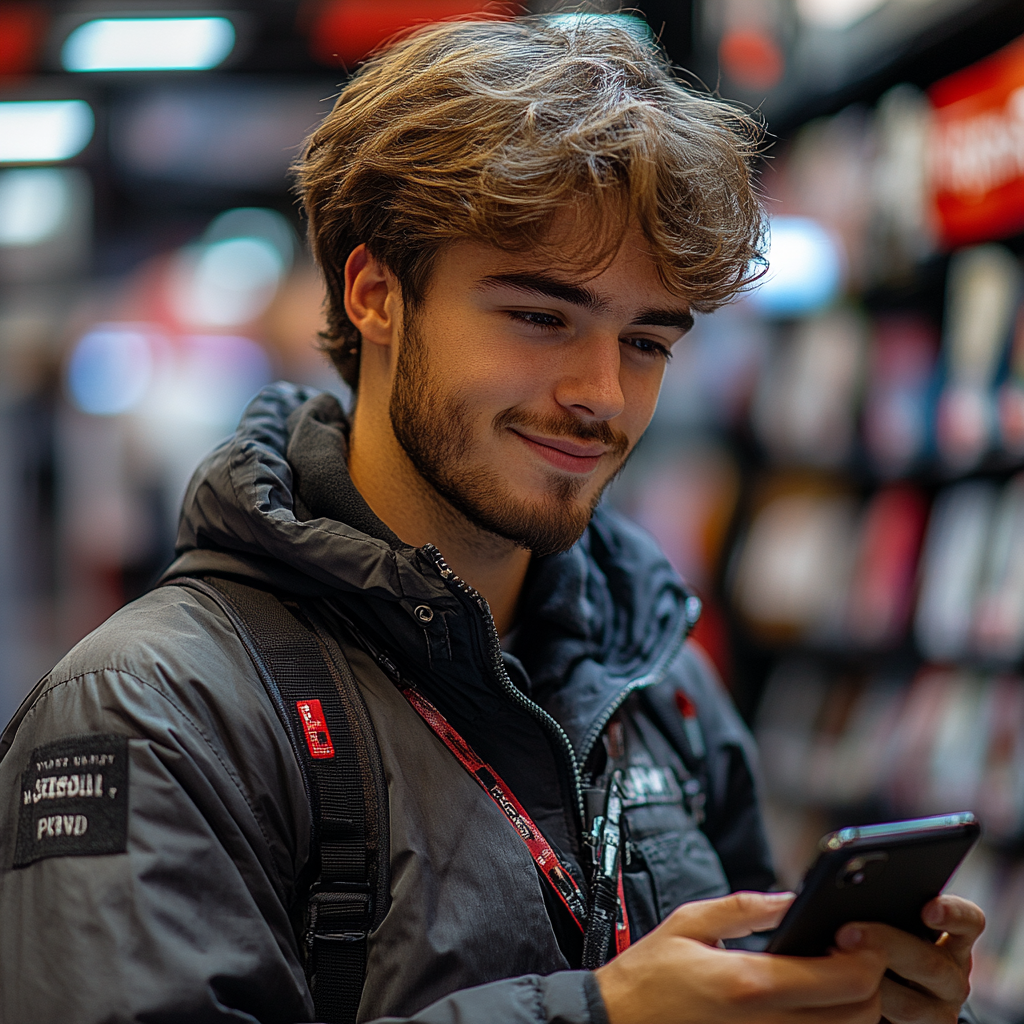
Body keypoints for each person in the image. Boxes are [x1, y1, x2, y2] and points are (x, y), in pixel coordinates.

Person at [0, 14, 983, 1024]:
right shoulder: (151, 710)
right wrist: (598, 1015)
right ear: (375, 292)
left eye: (645, 341)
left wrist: (846, 998)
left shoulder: (657, 676)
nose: (599, 392)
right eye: (540, 317)